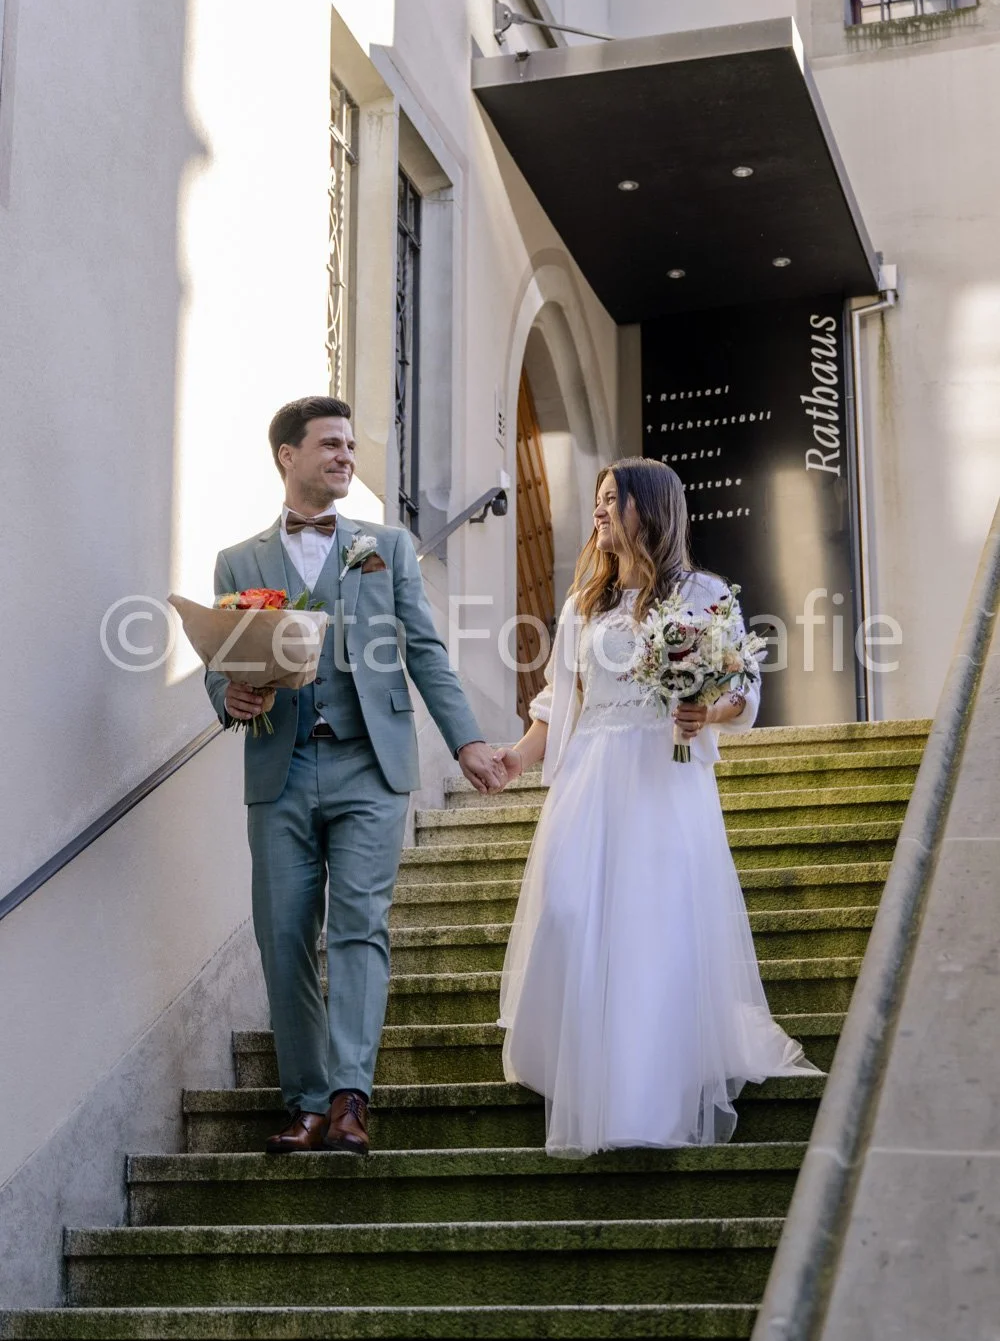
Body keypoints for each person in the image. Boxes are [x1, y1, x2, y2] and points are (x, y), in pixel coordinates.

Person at [492, 458, 819, 1158]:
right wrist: (516, 758)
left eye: (613, 499)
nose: (600, 510)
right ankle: (581, 1067)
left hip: (662, 777)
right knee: (570, 910)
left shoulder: (704, 594)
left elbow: (743, 690)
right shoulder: (584, 603)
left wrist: (708, 710)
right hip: (590, 775)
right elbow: (559, 701)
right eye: (599, 498)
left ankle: (641, 1097)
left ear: (650, 509)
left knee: (650, 927)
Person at [205, 396, 503, 1156]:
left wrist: (466, 741)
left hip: (369, 763)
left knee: (358, 928)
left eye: (349, 445)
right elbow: (222, 659)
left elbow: (424, 650)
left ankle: (348, 1101)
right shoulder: (239, 561)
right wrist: (227, 694)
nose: (345, 456)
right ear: (288, 455)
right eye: (331, 445)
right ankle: (304, 1102)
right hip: (280, 767)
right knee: (282, 936)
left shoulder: (385, 546)